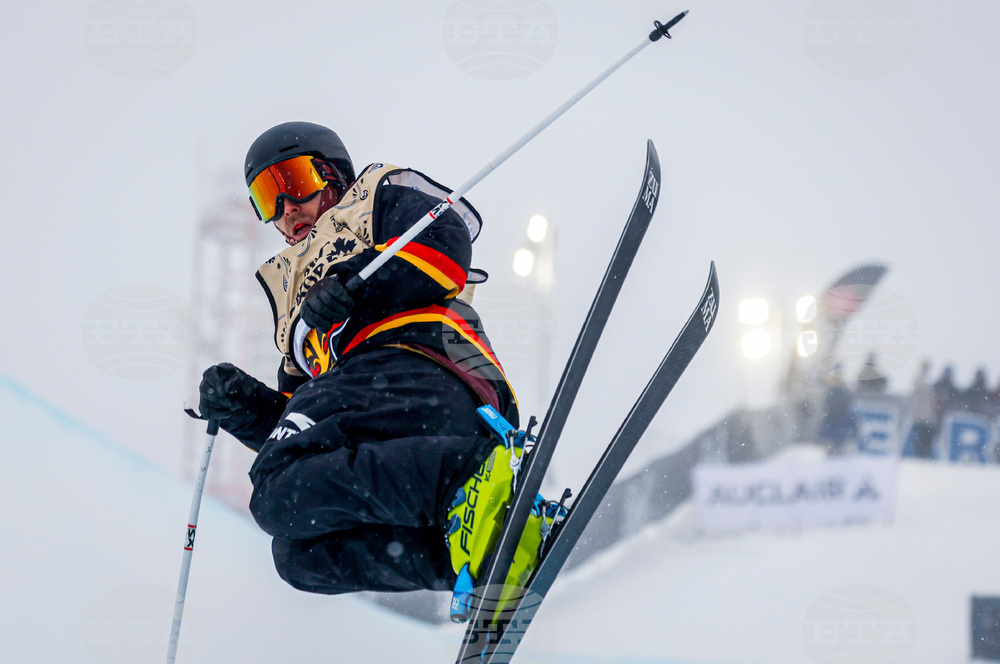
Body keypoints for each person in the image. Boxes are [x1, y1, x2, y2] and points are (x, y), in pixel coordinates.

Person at [197, 121, 551, 598]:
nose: (287, 209)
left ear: (331, 174)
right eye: (267, 200)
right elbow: (300, 429)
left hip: (420, 366)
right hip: (389, 416)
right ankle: (478, 555)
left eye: (294, 184)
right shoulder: (294, 306)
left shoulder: (371, 202)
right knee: (296, 548)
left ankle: (466, 474)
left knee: (276, 486)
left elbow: (447, 245)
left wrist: (354, 283)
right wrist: (244, 409)